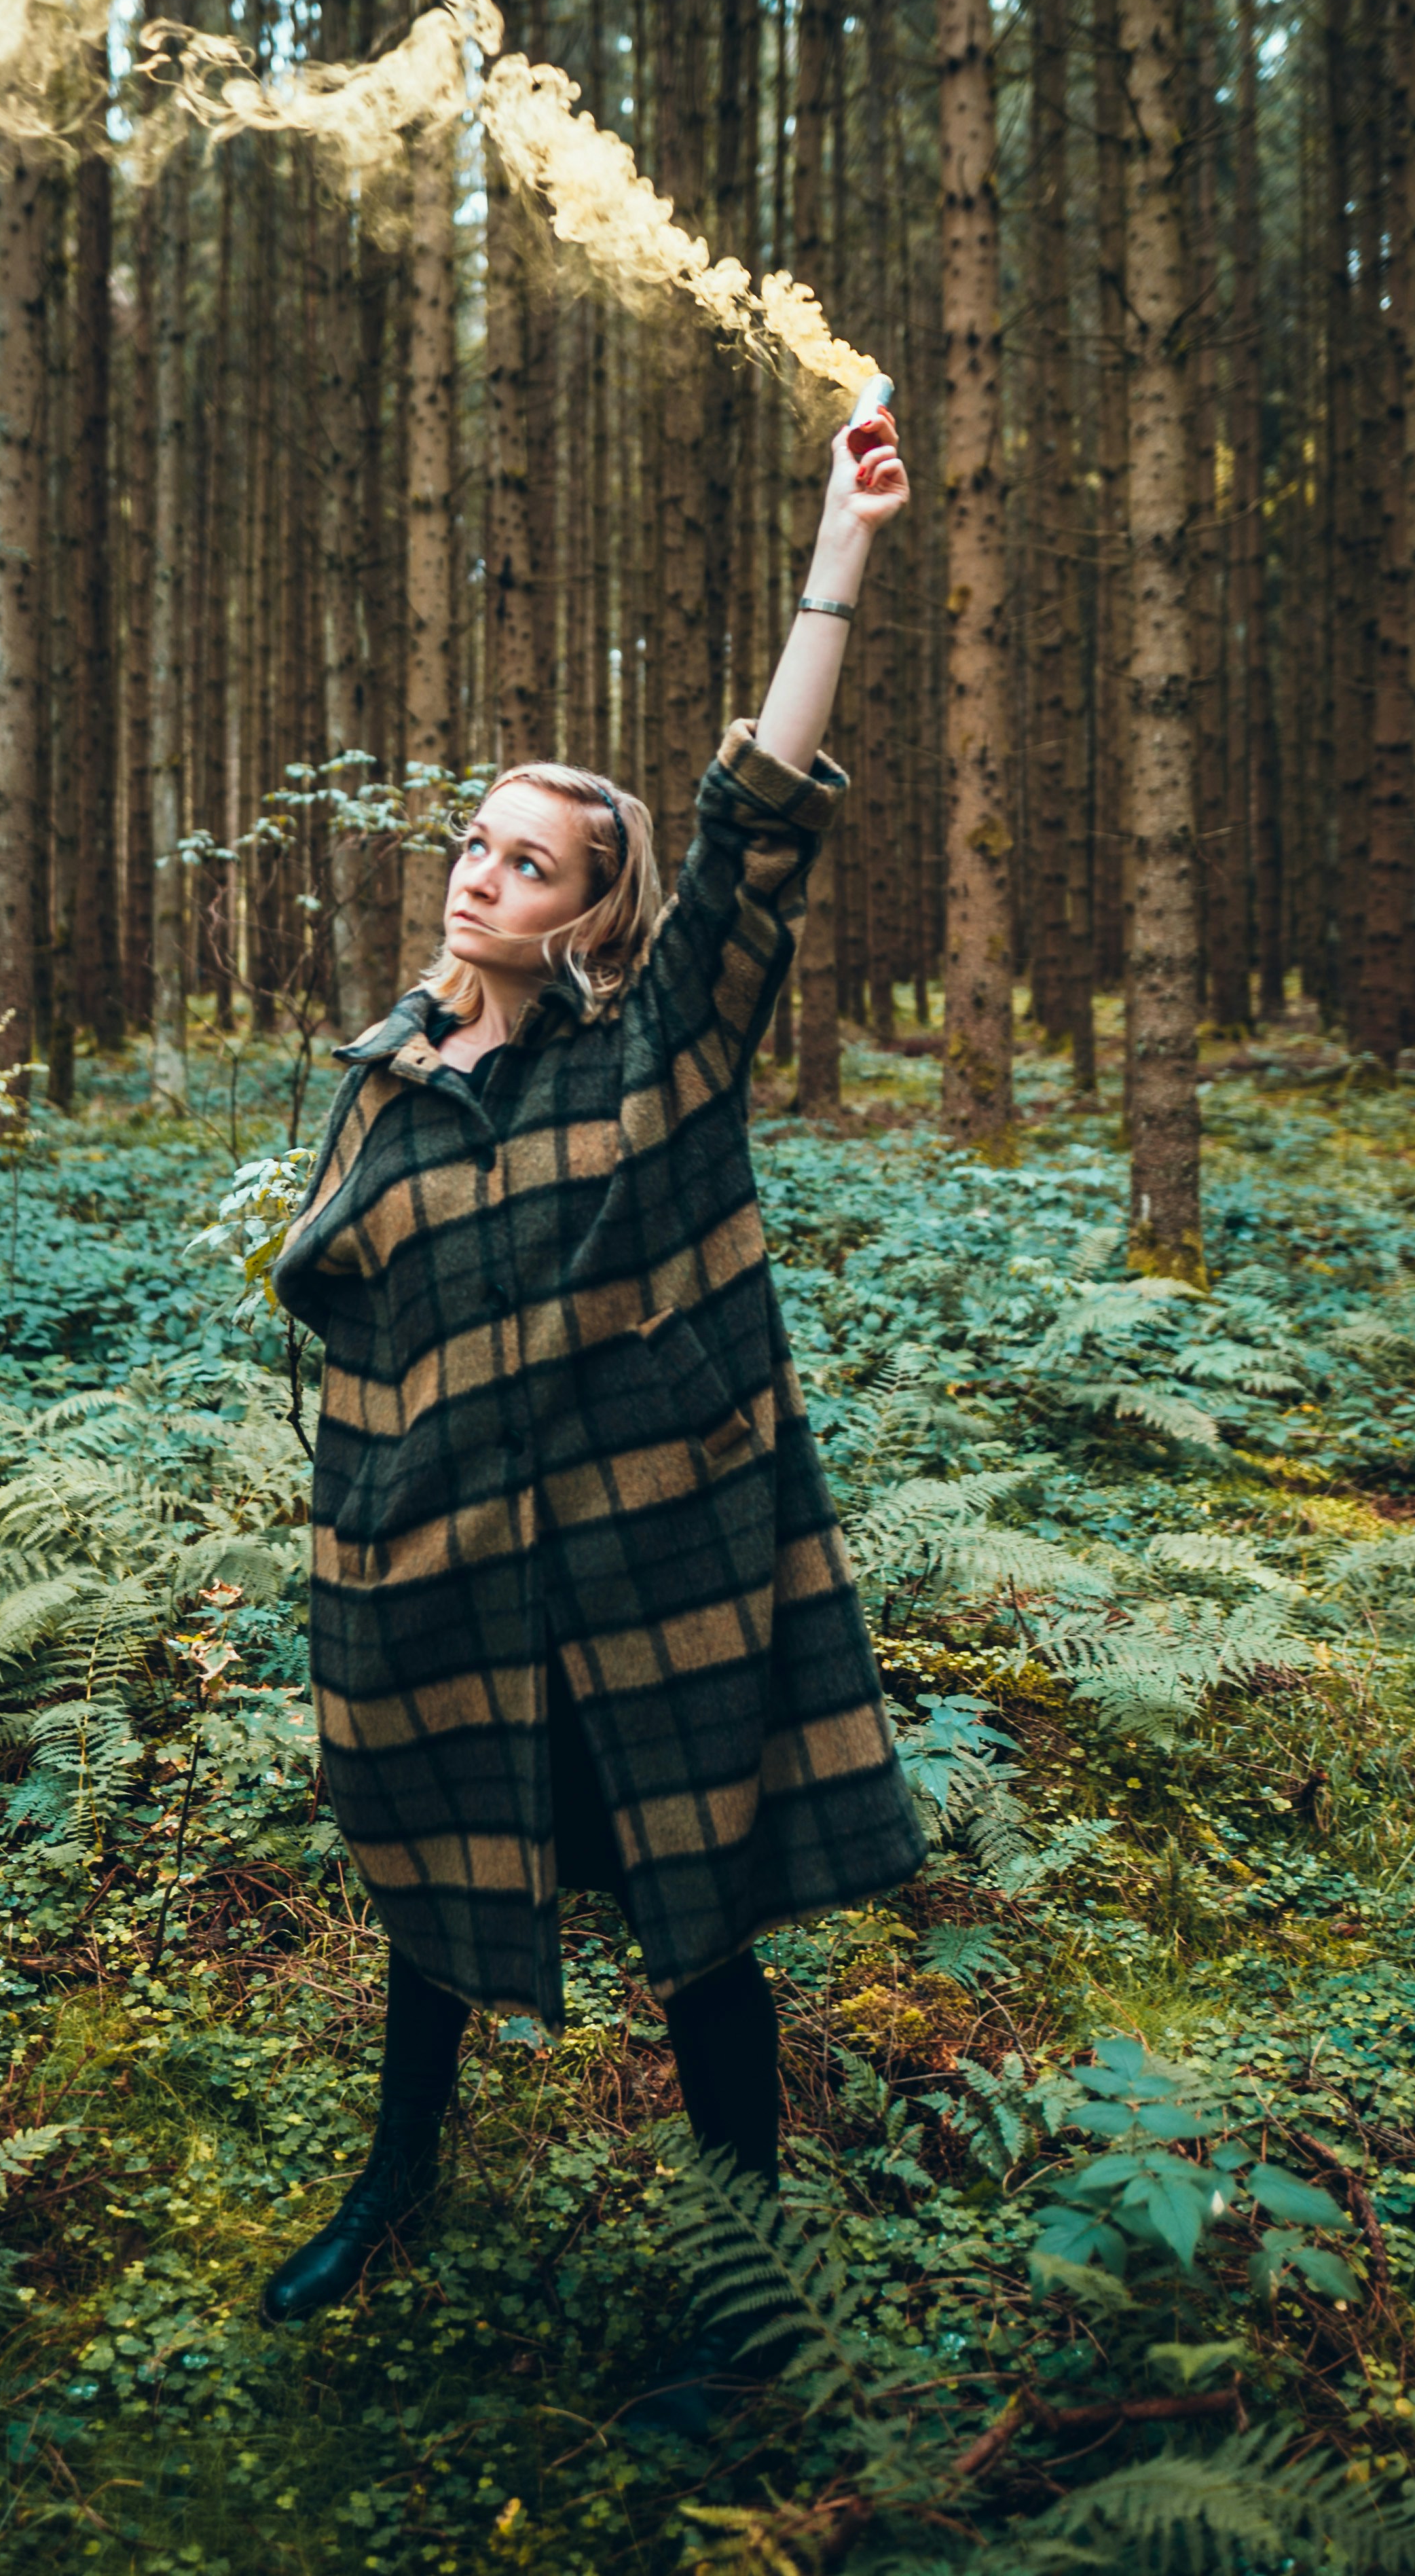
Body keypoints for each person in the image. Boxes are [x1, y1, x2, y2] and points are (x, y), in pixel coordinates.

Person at [261, 401, 927, 2402]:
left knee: (697, 1923)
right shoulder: (385, 1079)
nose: (480, 875)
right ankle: (396, 2181)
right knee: (435, 1899)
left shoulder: (659, 1060)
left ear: (593, 915)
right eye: (474, 842)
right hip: (445, 1580)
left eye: (529, 862)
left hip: (652, 1585)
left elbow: (759, 812)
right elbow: (347, 1318)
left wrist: (841, 551)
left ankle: (749, 2277)